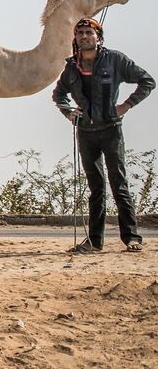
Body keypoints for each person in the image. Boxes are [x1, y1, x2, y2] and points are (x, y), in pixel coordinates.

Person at [53, 18, 153, 253]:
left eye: (89, 32)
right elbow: (59, 94)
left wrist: (126, 105)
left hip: (111, 129)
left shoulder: (115, 60)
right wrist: (68, 112)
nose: (84, 36)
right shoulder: (71, 67)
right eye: (80, 33)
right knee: (95, 187)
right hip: (85, 132)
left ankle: (132, 238)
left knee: (119, 184)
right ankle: (94, 241)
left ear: (98, 37)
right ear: (75, 38)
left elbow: (147, 81)